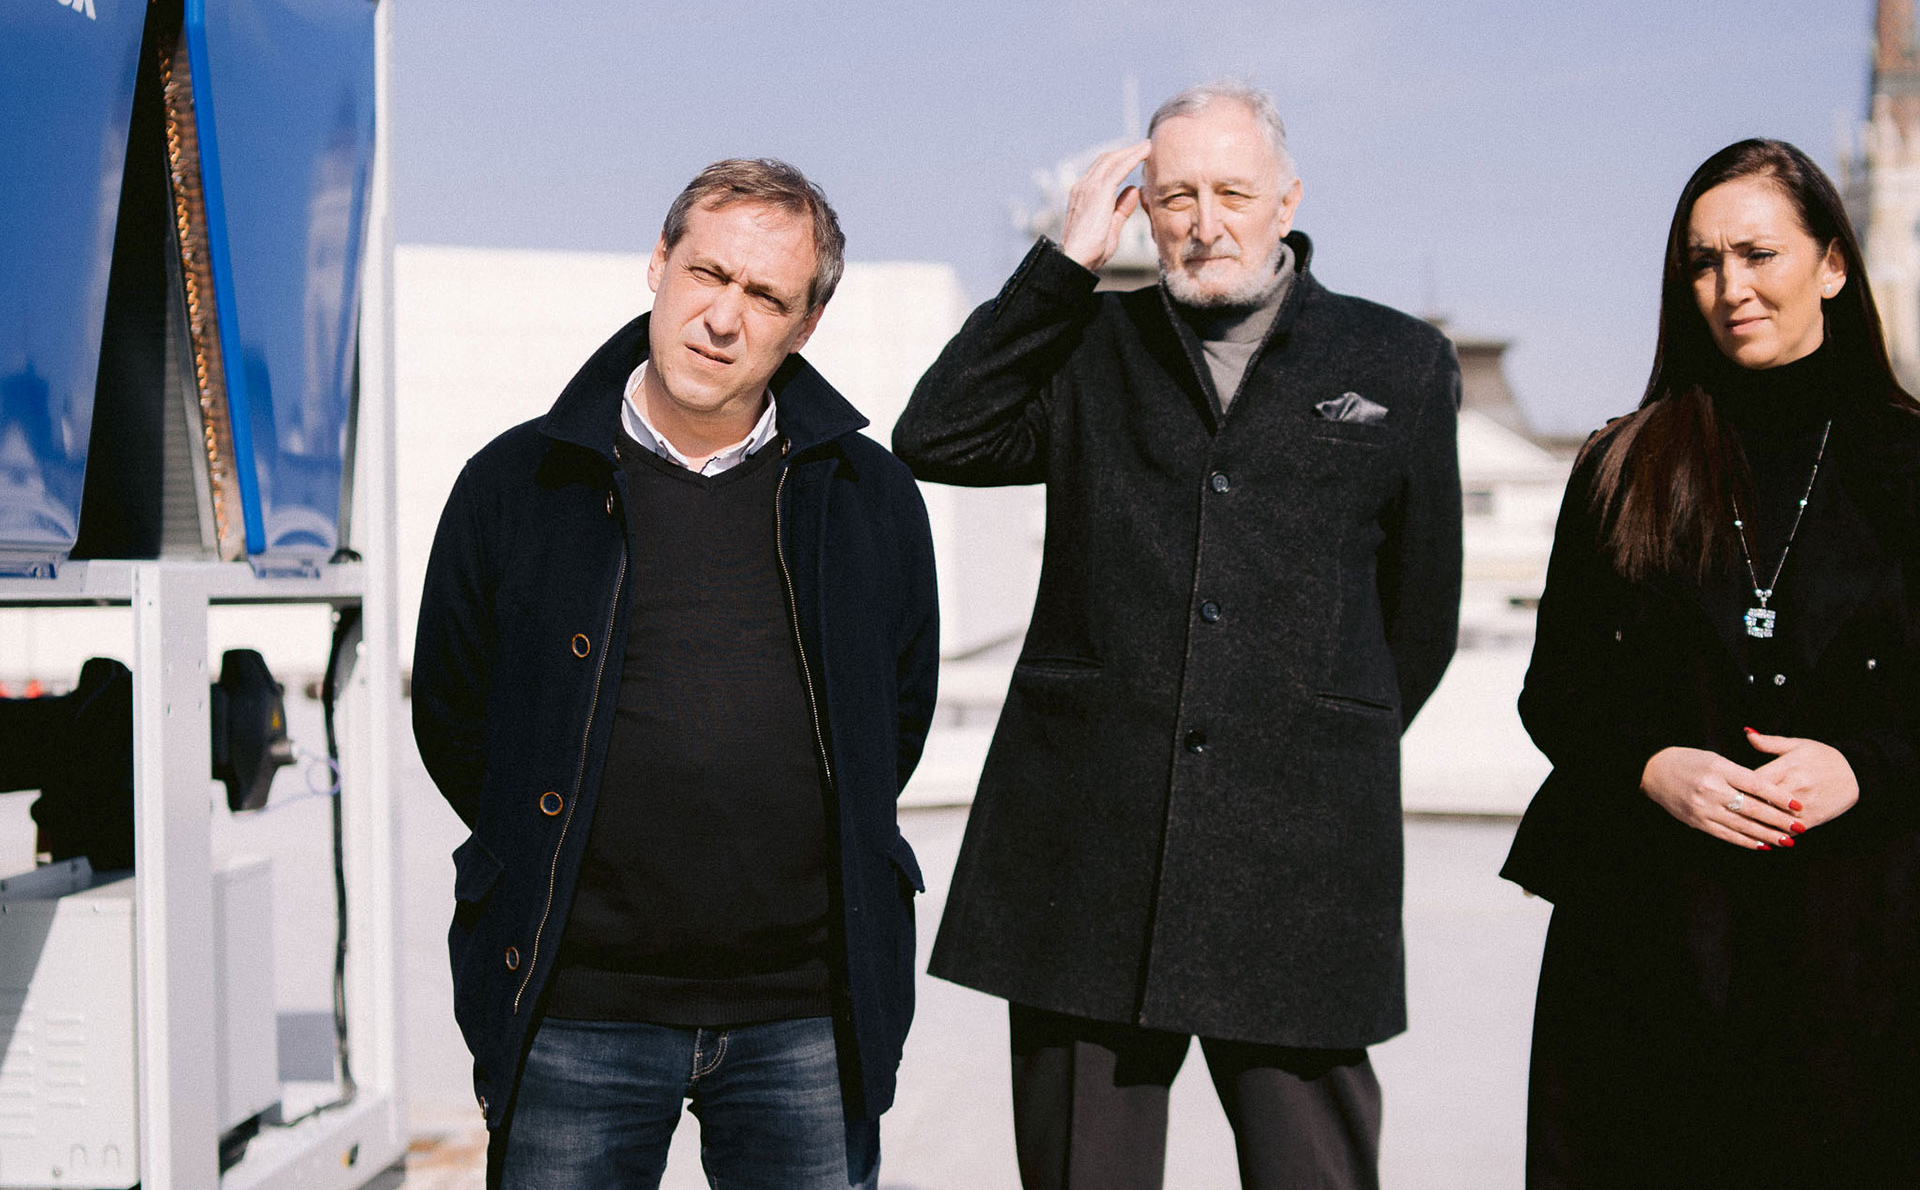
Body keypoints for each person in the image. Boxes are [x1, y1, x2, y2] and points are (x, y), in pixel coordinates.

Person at [893, 80, 1462, 1189]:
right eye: (1176, 195)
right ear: (1141, 210)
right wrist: (1063, 263)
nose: (1205, 222)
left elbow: (1419, 616)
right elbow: (938, 433)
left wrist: (1304, 742)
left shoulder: (1398, 361)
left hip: (1300, 861)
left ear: (1287, 199)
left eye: (1233, 193)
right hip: (1085, 850)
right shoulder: (1085, 342)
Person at [412, 158, 939, 1190]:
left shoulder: (867, 495)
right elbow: (454, 715)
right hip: (575, 1004)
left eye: (766, 296)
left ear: (806, 324)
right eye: (708, 273)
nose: (724, 318)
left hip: (807, 1010)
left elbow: (896, 717)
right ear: (658, 262)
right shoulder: (519, 483)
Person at [1502, 138, 1920, 1187]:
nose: (1731, 287)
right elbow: (1555, 689)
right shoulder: (1623, 463)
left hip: (1864, 947)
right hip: (1649, 944)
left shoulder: (1908, 462)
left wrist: (1866, 765)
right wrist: (1653, 764)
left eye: (1758, 253)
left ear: (1833, 263)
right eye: (1702, 261)